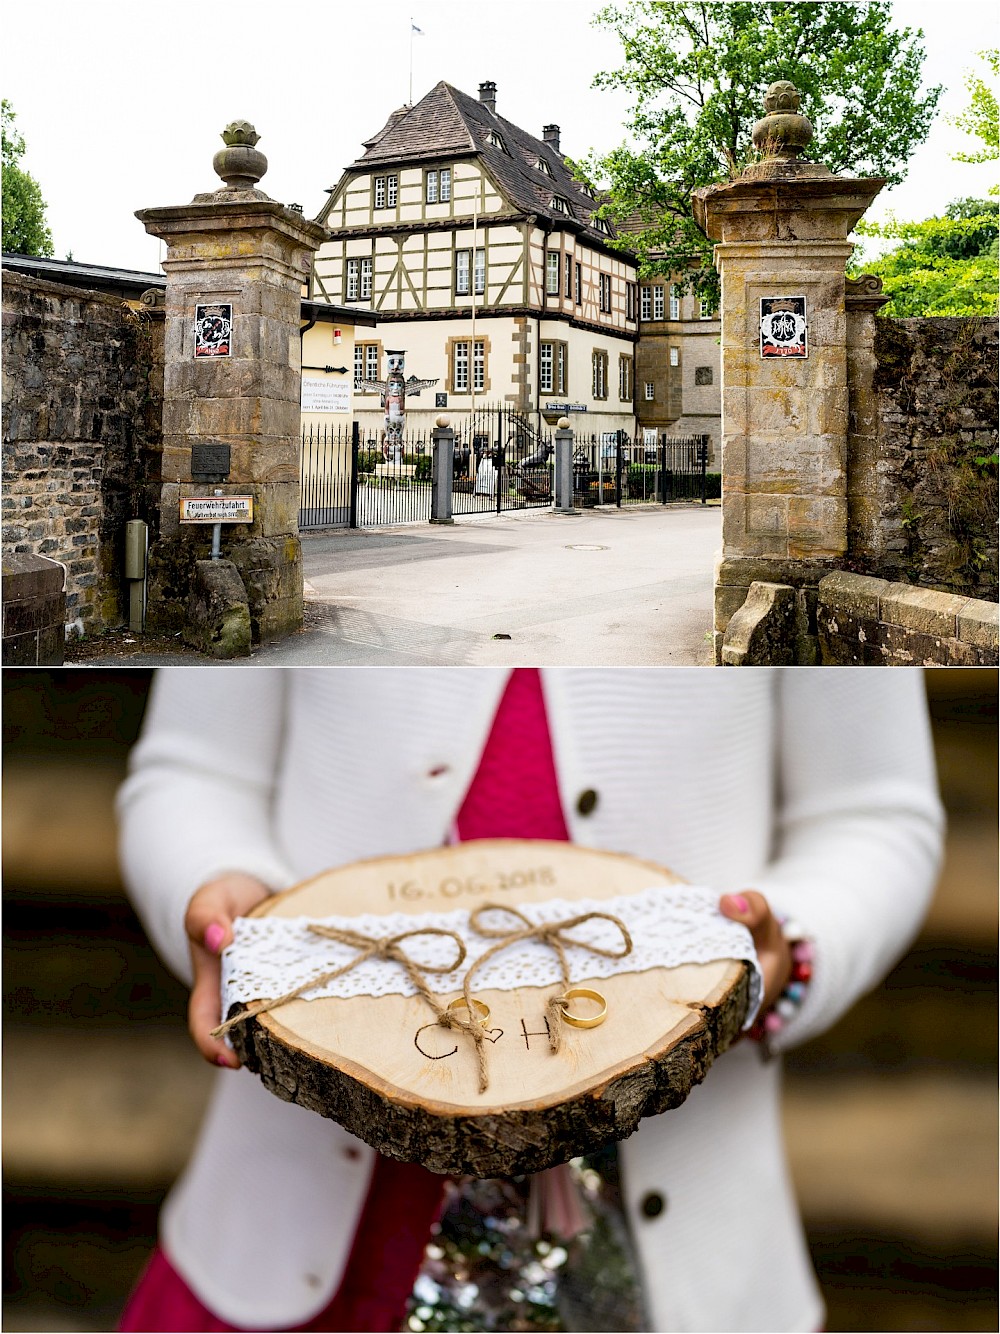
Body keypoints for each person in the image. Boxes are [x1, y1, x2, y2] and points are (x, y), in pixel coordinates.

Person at [116, 667, 943, 1333]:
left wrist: (785, 948)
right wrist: (221, 899)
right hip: (289, 1238)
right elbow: (192, 771)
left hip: (685, 1238)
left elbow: (876, 813)